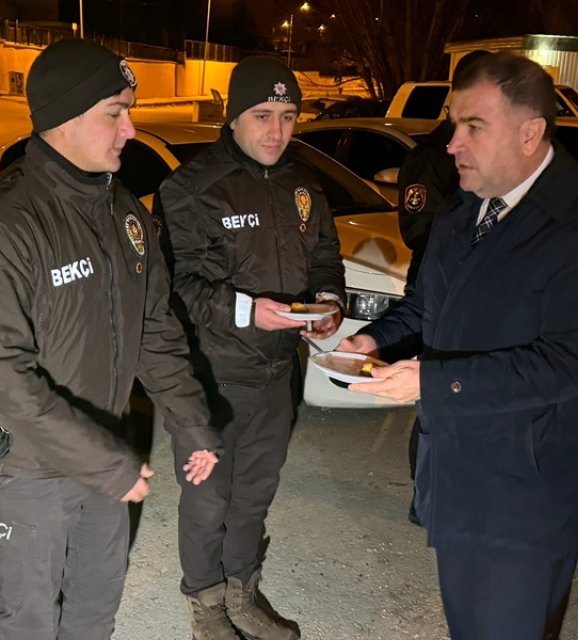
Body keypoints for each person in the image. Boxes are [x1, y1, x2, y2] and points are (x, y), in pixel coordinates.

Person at [339, 53, 578, 639]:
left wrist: (428, 380)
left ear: (531, 133)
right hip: (455, 477)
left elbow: (569, 363)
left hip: (527, 499)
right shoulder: (463, 213)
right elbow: (426, 306)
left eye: (473, 126)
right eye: (454, 125)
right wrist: (368, 338)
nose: (452, 144)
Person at [0, 39, 222, 640]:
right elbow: (1, 376)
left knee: (95, 613)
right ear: (65, 117)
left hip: (106, 457)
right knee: (30, 625)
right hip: (28, 472)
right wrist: (107, 461)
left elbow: (155, 330)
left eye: (130, 110)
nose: (132, 128)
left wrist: (192, 422)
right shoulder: (1, 227)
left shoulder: (125, 214)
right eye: (115, 112)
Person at [154, 56, 345, 640]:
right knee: (209, 498)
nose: (277, 131)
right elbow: (174, 285)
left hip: (276, 374)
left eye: (288, 116)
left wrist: (329, 303)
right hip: (211, 379)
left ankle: (242, 591)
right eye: (262, 114)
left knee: (256, 494)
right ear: (233, 117)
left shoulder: (304, 184)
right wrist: (247, 309)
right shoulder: (190, 188)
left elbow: (324, 258)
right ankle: (206, 607)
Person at [392, 48, 489, 526]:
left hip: (477, 304)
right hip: (438, 292)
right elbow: (416, 228)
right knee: (435, 400)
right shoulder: (433, 155)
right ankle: (425, 498)